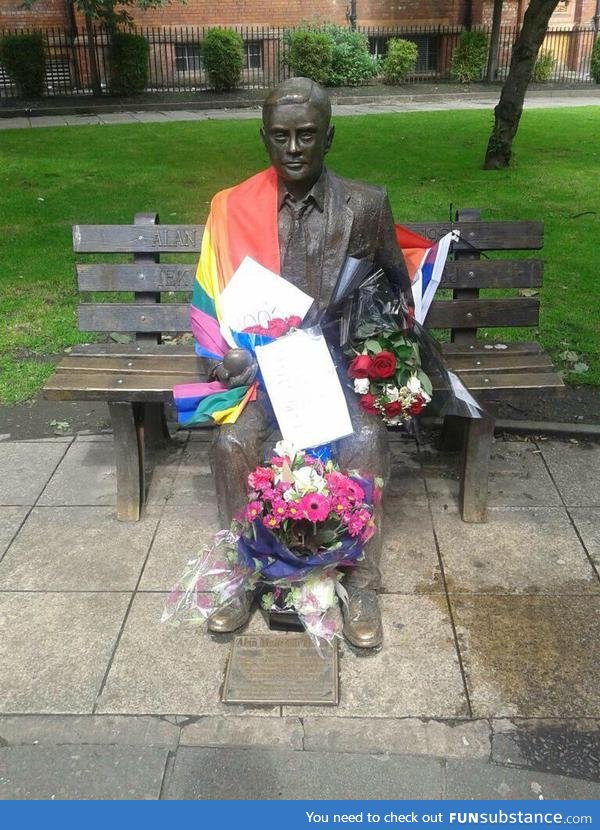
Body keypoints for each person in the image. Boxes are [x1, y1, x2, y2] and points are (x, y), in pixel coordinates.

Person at [201, 77, 413, 648]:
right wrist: (228, 357)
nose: (293, 149)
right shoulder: (237, 209)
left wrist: (378, 349)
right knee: (231, 445)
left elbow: (398, 294)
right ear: (264, 139)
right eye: (279, 137)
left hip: (339, 374)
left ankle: (359, 581)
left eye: (307, 136)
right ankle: (244, 570)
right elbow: (217, 303)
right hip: (268, 378)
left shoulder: (365, 206)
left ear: (329, 138)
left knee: (365, 442)